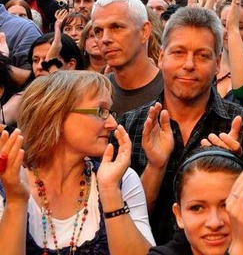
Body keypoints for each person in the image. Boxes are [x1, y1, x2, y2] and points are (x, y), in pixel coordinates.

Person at [119, 6, 243, 245]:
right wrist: (155, 166)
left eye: (202, 55)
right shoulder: (131, 126)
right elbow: (123, 223)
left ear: (217, 64)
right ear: (162, 57)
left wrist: (236, 167)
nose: (189, 64)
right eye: (179, 52)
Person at [0, 71, 155, 254]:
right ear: (55, 114)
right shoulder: (9, 183)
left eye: (110, 112)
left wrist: (110, 191)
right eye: (101, 111)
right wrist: (16, 202)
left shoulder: (121, 179)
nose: (113, 124)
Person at [149, 147, 243, 255]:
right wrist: (240, 250)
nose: (214, 223)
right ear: (178, 215)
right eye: (197, 208)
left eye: (226, 205)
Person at [92, 0, 163, 115]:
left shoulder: (173, 90)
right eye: (98, 31)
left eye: (116, 27)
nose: (105, 38)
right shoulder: (94, 93)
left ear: (144, 31)